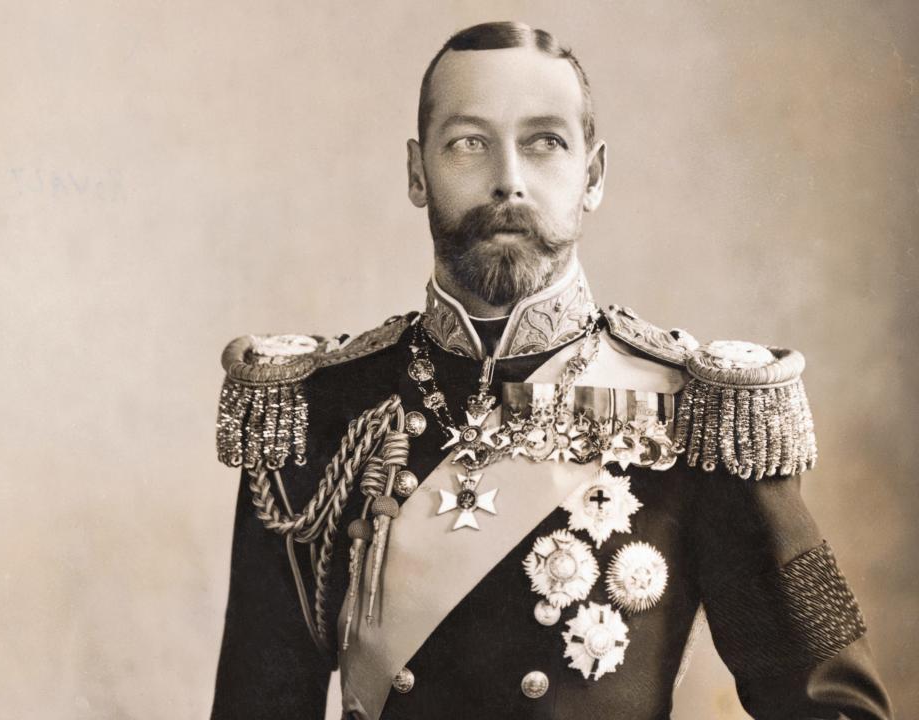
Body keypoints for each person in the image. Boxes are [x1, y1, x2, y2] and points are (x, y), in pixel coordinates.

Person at [210, 21, 892, 720]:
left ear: (592, 176)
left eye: (544, 143)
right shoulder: (316, 412)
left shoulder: (703, 416)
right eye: (469, 143)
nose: (508, 181)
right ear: (418, 172)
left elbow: (838, 708)